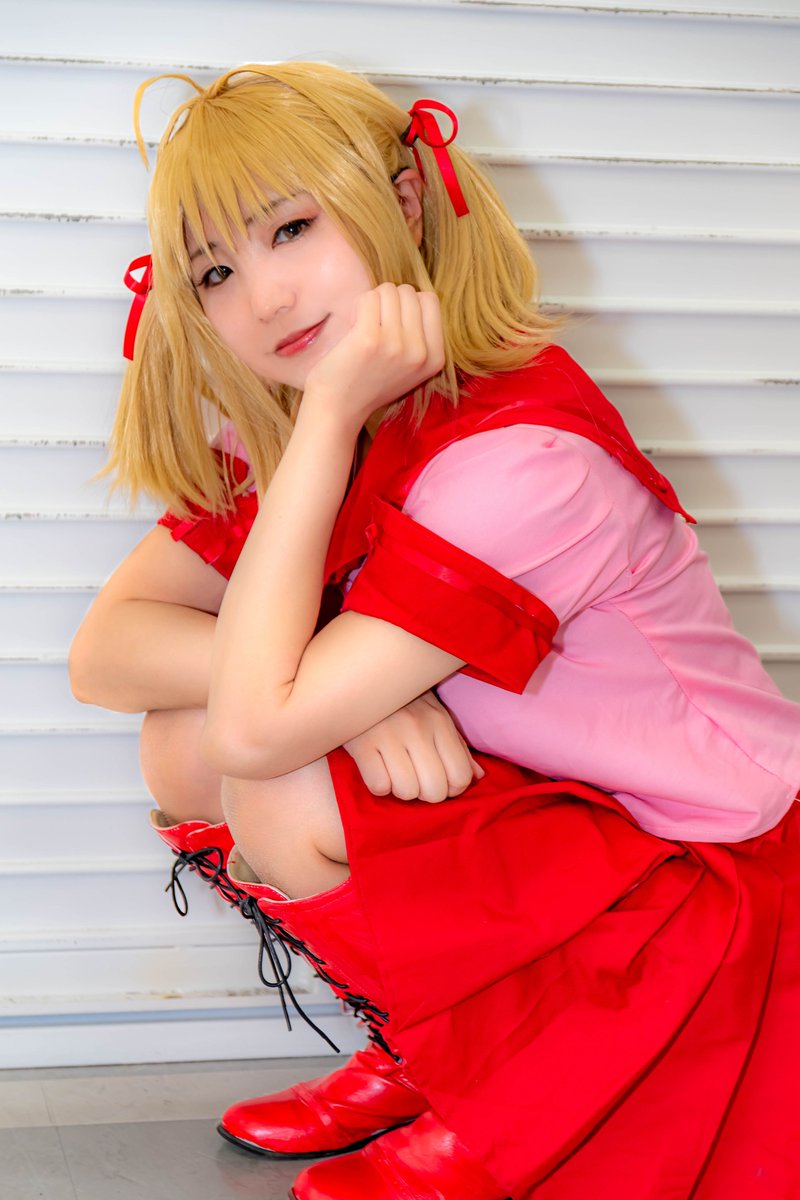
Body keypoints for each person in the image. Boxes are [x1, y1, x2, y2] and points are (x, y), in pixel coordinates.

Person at [69, 61, 800, 1200]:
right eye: (215, 270)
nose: (264, 298)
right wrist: (355, 688)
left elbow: (259, 730)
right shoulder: (328, 429)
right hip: (574, 832)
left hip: (715, 885)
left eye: (292, 228)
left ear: (404, 199)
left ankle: (511, 1089)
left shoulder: (519, 461)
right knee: (182, 739)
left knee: (269, 772)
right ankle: (443, 1048)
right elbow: (105, 654)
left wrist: (322, 448)